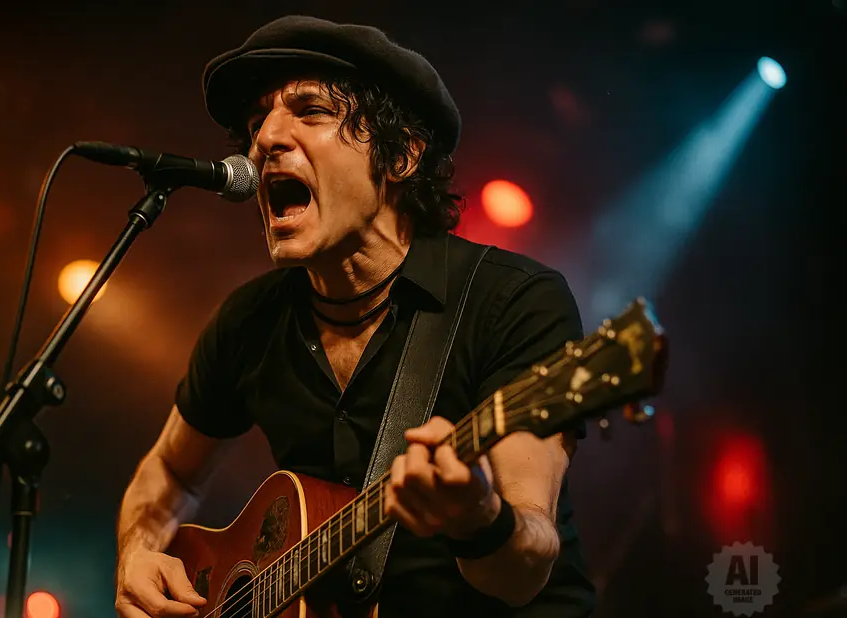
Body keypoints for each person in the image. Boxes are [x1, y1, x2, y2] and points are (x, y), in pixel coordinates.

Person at [115, 15, 595, 618]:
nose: (265, 139)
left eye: (309, 110)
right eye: (258, 120)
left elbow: (525, 567)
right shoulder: (249, 322)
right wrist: (138, 550)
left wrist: (479, 519)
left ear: (401, 156)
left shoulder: (513, 302)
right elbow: (169, 472)